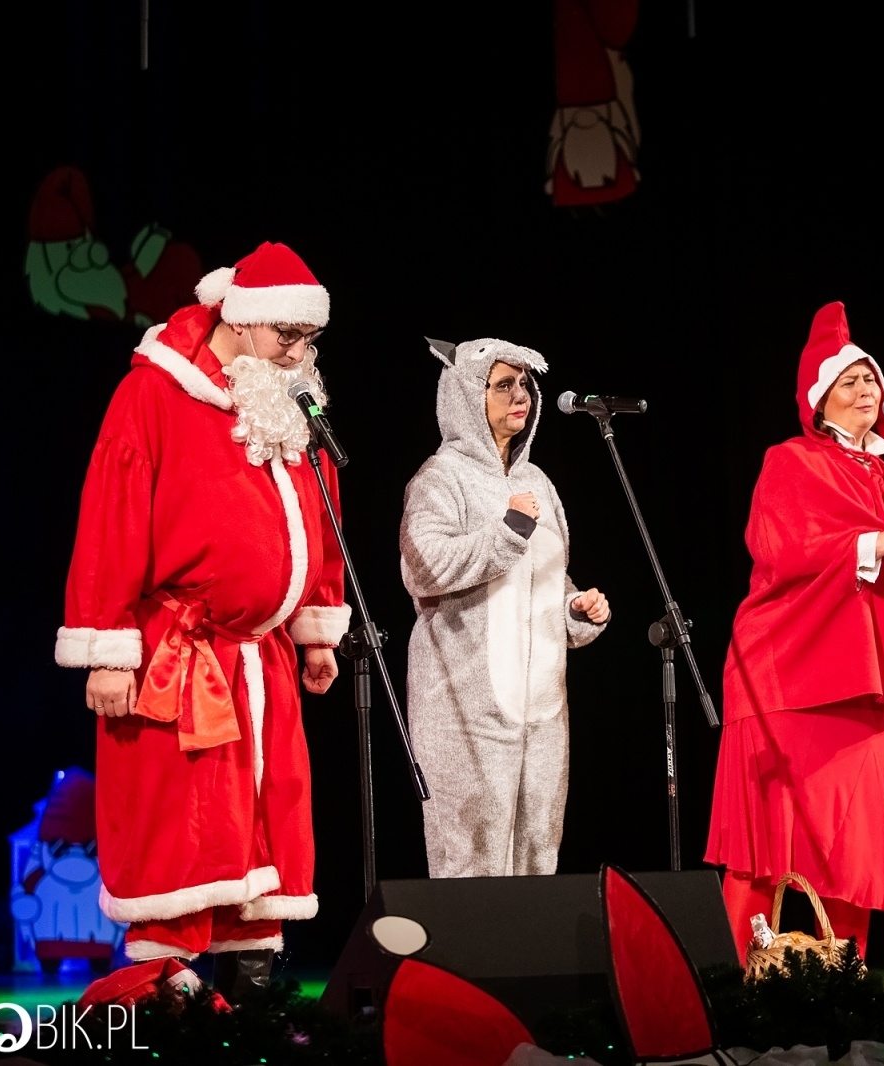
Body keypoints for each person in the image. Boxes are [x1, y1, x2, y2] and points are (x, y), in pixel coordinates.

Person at [55, 241, 350, 998]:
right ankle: (165, 987)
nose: (299, 350)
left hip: (265, 656)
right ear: (241, 321)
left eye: (308, 337)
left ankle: (248, 986)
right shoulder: (153, 395)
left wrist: (317, 624)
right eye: (288, 333)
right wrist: (109, 648)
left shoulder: (287, 399)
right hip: (177, 657)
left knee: (261, 817)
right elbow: (110, 521)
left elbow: (319, 515)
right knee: (181, 824)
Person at [704, 301, 884, 963]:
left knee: (855, 849)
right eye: (850, 381)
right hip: (785, 674)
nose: (867, 390)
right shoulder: (792, 461)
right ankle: (734, 982)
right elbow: (780, 548)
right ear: (819, 398)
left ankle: (844, 985)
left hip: (860, 687)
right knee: (762, 851)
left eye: (871, 380)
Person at [400, 338, 610, 878]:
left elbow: (546, 582)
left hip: (541, 709)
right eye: (503, 384)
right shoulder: (441, 477)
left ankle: (532, 963)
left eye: (525, 384)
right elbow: (424, 567)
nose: (521, 395)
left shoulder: (538, 482)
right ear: (470, 395)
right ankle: (463, 966)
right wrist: (507, 533)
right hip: (466, 710)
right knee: (472, 865)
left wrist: (575, 611)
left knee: (539, 854)